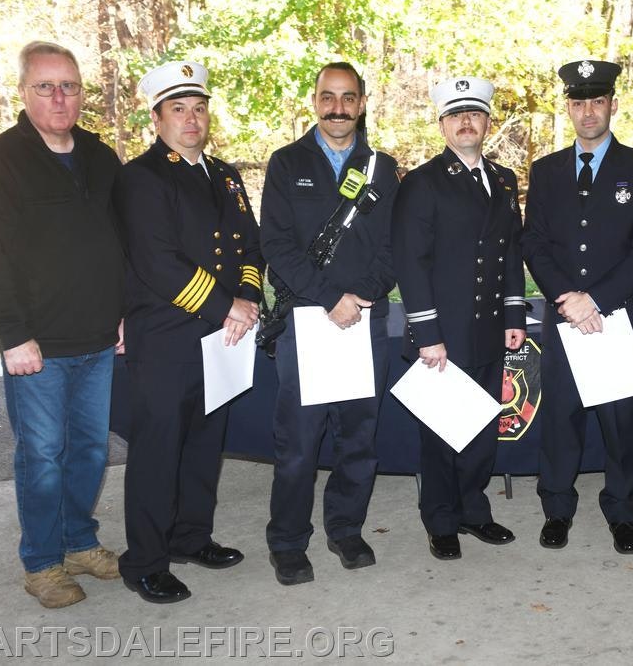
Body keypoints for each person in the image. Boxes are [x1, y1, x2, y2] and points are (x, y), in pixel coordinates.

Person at [0, 41, 126, 608]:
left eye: (70, 85)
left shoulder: (102, 158)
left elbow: (122, 242)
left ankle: (78, 542)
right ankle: (42, 563)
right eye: (46, 86)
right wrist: (11, 332)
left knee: (90, 452)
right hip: (37, 346)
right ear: (24, 92)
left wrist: (122, 312)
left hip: (99, 338)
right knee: (43, 456)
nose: (60, 97)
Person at [115, 61, 263, 603]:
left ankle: (190, 537)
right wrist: (228, 306)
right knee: (158, 452)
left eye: (199, 108)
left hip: (220, 334)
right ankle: (145, 562)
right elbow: (158, 260)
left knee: (205, 443)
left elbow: (250, 242)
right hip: (168, 337)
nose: (191, 119)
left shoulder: (225, 174)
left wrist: (246, 297)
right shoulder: (140, 178)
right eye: (178, 109)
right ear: (157, 119)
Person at [522, 60, 633, 553]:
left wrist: (596, 301)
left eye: (598, 102)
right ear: (568, 107)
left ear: (612, 105)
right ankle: (557, 509)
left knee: (621, 421)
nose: (588, 112)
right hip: (565, 319)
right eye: (579, 102)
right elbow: (535, 244)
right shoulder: (545, 172)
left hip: (617, 318)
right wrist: (570, 301)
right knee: (561, 418)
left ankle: (622, 513)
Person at [260, 62, 399, 585]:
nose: (337, 107)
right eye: (327, 96)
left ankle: (346, 528)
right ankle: (289, 542)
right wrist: (329, 297)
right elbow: (275, 246)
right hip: (308, 322)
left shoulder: (383, 168)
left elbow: (393, 246)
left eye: (347, 98)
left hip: (364, 319)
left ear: (361, 103)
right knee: (298, 442)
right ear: (314, 101)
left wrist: (361, 295)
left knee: (358, 437)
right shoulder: (285, 162)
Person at [392, 76, 527, 560]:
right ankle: (441, 519)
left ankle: (474, 511)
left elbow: (512, 251)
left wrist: (515, 312)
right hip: (443, 333)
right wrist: (427, 333)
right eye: (456, 115)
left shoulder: (506, 179)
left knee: (480, 428)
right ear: (443, 124)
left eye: (474, 114)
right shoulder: (423, 182)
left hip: (490, 327)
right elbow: (411, 262)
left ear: (488, 122)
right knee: (441, 432)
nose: (466, 122)